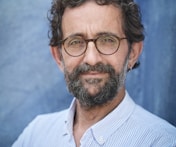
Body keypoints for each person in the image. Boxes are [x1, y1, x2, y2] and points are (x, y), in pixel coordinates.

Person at [12, 0, 176, 146]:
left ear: (133, 52)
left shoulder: (164, 141)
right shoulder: (35, 134)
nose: (91, 59)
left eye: (107, 40)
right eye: (76, 42)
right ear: (58, 56)